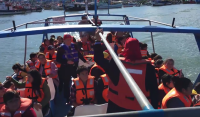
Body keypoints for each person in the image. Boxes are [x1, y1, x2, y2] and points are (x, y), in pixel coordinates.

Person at [94, 29, 159, 113]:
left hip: (116, 107)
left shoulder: (117, 64)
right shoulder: (149, 68)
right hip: (139, 110)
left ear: (125, 49)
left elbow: (98, 59)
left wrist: (98, 41)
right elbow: (154, 92)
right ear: (139, 50)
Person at [56, 34, 88, 102]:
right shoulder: (61, 48)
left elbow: (78, 54)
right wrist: (66, 62)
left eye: (70, 39)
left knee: (79, 79)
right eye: (67, 40)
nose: (69, 41)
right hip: (65, 68)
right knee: (66, 83)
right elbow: (58, 59)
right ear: (64, 40)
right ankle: (67, 98)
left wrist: (85, 60)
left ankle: (81, 93)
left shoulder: (75, 46)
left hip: (74, 67)